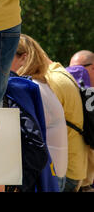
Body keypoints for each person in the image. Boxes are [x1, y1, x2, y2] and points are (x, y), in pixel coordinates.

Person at [10, 34, 68, 185]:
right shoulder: (41, 84)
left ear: (24, 58)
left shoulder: (32, 88)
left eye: (7, 54)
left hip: (48, 175)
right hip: (54, 171)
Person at [45, 53, 88, 192]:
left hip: (66, 171)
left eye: (80, 68)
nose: (76, 72)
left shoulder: (53, 80)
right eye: (72, 68)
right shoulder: (62, 77)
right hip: (75, 168)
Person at [67, 50, 94, 193]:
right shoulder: (71, 94)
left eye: (78, 70)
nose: (72, 74)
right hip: (76, 180)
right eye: (70, 69)